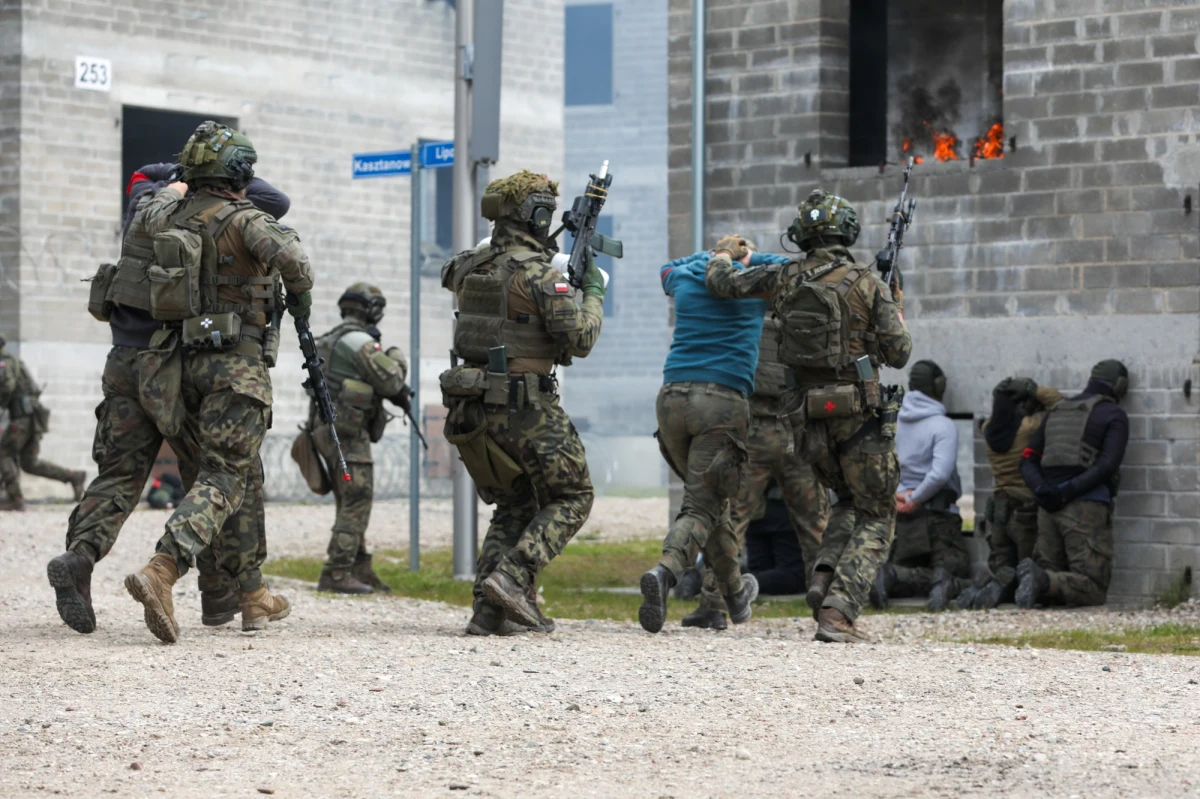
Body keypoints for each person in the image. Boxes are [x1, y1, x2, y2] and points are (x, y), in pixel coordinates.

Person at [45, 160, 290, 635]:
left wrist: (173, 170)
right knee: (222, 472)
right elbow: (275, 200)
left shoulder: (144, 196)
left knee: (118, 474)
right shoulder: (200, 206)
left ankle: (79, 558)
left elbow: (141, 171)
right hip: (170, 362)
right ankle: (224, 592)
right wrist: (203, 172)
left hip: (121, 360)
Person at [121, 121, 313, 643]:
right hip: (235, 369)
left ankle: (252, 595)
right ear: (240, 172)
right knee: (225, 478)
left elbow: (145, 216)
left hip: (177, 367)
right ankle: (163, 568)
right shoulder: (247, 219)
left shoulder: (162, 213)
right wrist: (295, 290)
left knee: (238, 478)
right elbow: (296, 262)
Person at [705, 189, 912, 643]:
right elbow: (899, 352)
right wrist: (896, 304)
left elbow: (722, 283)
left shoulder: (783, 276)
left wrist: (724, 251)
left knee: (844, 502)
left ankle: (822, 580)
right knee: (877, 512)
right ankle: (839, 610)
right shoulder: (866, 282)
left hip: (803, 417)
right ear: (849, 232)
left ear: (801, 235)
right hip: (859, 416)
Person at [440, 170, 603, 636]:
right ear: (537, 215)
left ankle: (487, 612)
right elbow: (579, 339)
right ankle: (513, 577)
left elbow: (451, 270)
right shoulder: (539, 274)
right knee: (573, 495)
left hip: (473, 405)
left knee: (516, 502)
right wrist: (592, 293)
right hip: (525, 406)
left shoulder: (470, 266)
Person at [639, 239, 770, 633]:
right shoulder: (757, 283)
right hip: (721, 401)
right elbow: (786, 264)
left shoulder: (684, 278)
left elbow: (667, 267)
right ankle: (666, 572)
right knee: (701, 506)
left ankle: (733, 597)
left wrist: (713, 256)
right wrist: (745, 258)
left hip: (672, 399)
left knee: (713, 504)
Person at [680, 294, 830, 630]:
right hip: (797, 433)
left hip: (753, 433)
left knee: (731, 520)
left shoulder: (745, 325)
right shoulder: (808, 326)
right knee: (815, 524)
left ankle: (714, 604)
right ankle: (829, 605)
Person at [302, 282, 410, 594]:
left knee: (349, 498)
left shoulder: (332, 338)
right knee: (357, 498)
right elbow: (391, 380)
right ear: (373, 310)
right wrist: (395, 354)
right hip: (347, 434)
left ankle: (359, 568)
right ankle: (337, 572)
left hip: (325, 430)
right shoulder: (359, 342)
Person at [1017, 360, 1129, 608]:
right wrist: (1065, 492)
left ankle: (1034, 580)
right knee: (1093, 589)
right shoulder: (1113, 414)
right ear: (1120, 385)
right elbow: (1107, 465)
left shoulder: (1058, 409)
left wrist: (1042, 490)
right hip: (1085, 508)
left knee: (1050, 586)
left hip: (1047, 509)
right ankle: (1043, 580)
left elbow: (1027, 460)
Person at [872, 359, 969, 611]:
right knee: (957, 572)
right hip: (938, 515)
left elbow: (886, 464)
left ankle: (891, 576)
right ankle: (936, 582)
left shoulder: (894, 420)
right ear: (939, 387)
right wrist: (917, 498)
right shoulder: (943, 425)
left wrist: (901, 496)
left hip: (904, 515)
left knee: (909, 567)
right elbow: (939, 474)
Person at [960, 377, 1063, 609]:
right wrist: (1034, 390)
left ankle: (990, 587)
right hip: (1024, 506)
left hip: (998, 507)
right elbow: (1062, 405)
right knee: (1028, 566)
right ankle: (1016, 594)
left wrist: (1001, 396)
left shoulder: (988, 429)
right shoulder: (1027, 427)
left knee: (1003, 567)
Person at [0, 336, 86, 511]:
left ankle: (16, 499)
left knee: (3, 453)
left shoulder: (4, 363)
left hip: (23, 418)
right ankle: (73, 477)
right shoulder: (14, 361)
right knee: (29, 462)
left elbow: (7, 386)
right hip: (32, 417)